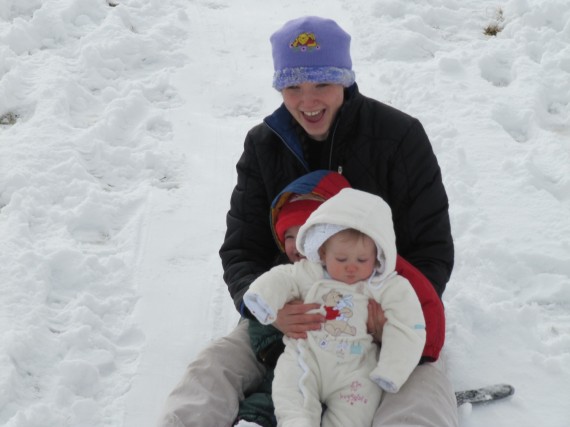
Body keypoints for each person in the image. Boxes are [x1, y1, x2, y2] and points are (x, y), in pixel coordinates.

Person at [158, 15, 457, 427]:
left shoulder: (399, 137)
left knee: (418, 395)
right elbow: (241, 248)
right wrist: (272, 310)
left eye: (322, 83)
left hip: (383, 306)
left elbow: (433, 248)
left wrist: (388, 311)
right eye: (293, 86)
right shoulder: (264, 145)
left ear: (346, 81)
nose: (307, 100)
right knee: (213, 368)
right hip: (297, 305)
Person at [235, 170, 446, 427]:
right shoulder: (310, 271)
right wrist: (262, 301)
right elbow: (281, 278)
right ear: (323, 252)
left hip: (355, 369)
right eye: (341, 259)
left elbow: (409, 324)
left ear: (378, 256)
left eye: (362, 260)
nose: (351, 268)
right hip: (306, 359)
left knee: (355, 414)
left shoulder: (384, 285)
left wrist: (392, 368)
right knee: (290, 395)